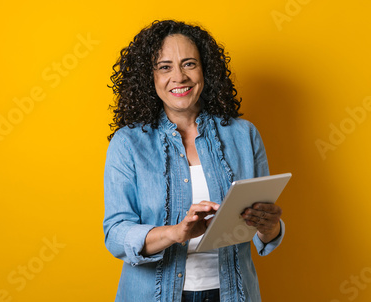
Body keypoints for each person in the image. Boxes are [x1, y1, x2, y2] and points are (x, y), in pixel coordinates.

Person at [103, 19, 284, 302]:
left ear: (205, 70)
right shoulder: (127, 144)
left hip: (233, 294)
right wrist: (177, 232)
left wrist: (270, 227)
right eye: (165, 67)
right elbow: (115, 235)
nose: (179, 77)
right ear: (148, 77)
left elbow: (264, 232)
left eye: (189, 64)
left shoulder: (244, 136)